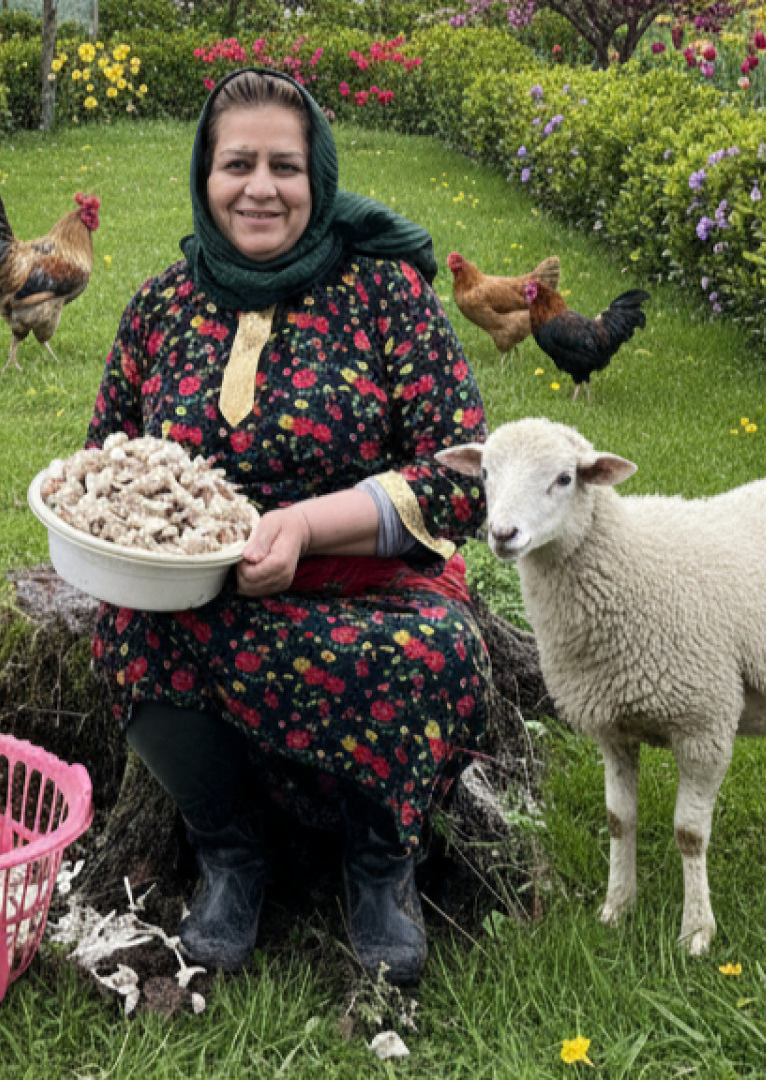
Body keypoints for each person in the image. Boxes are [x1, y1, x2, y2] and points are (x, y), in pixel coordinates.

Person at [85, 67, 493, 985]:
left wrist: (306, 526)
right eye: (237, 164)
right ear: (204, 175)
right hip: (203, 595)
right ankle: (232, 854)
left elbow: (464, 475)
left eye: (285, 167)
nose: (260, 189)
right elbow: (104, 463)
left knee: (436, 654)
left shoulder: (386, 295)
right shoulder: (161, 306)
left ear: (321, 178)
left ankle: (381, 864)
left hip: (367, 588)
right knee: (131, 635)